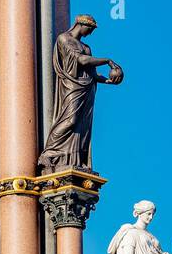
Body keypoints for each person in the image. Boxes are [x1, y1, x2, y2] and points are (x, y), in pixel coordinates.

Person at [37, 13, 123, 173]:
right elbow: (81, 60)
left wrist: (108, 80)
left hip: (87, 89)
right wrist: (108, 61)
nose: (90, 33)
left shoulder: (87, 48)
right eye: (90, 29)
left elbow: (93, 73)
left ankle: (72, 158)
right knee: (70, 119)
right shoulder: (64, 39)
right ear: (81, 24)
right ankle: (50, 153)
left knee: (82, 126)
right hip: (72, 87)